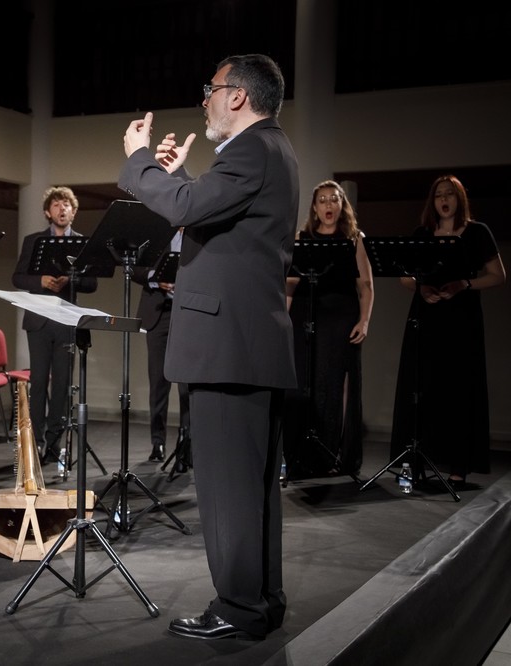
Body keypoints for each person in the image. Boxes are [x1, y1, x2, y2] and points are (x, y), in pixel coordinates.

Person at [119, 54, 298, 641]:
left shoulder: (251, 149)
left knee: (228, 491)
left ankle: (239, 608)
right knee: (251, 489)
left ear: (238, 96)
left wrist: (139, 160)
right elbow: (204, 210)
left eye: (211, 90)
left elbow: (188, 208)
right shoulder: (273, 150)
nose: (205, 100)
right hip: (247, 345)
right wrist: (174, 178)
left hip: (229, 348)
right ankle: (259, 602)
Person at [389, 175, 505, 489]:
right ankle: (415, 460)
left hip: (461, 318)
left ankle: (457, 466)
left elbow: (498, 275)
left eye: (450, 194)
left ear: (460, 199)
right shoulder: (423, 233)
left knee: (458, 390)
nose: (444, 199)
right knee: (421, 386)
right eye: (439, 194)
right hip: (426, 315)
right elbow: (404, 278)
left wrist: (465, 284)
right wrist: (422, 287)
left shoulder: (477, 232)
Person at [283, 181, 373, 478]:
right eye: (322, 200)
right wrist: (282, 320)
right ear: (315, 207)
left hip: (340, 317)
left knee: (334, 385)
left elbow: (366, 285)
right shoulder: (303, 238)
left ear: (341, 205)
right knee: (303, 381)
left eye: (333, 199)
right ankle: (300, 455)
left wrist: (364, 320)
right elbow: (290, 285)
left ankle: (332, 455)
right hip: (306, 316)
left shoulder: (353, 238)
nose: (328, 205)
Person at [11, 186, 97, 464]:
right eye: (57, 205)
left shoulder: (82, 243)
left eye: (67, 205)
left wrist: (69, 280)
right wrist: (42, 281)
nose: (62, 209)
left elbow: (92, 283)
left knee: (62, 383)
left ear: (74, 211)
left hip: (66, 322)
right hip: (38, 320)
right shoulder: (33, 240)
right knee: (38, 382)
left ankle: (54, 443)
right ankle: (34, 442)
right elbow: (18, 278)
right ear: (48, 212)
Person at [132, 230, 191, 469]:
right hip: (158, 314)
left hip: (188, 312)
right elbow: (133, 268)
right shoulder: (154, 234)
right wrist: (157, 278)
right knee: (158, 382)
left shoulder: (197, 235)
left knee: (188, 384)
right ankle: (157, 442)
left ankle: (186, 442)